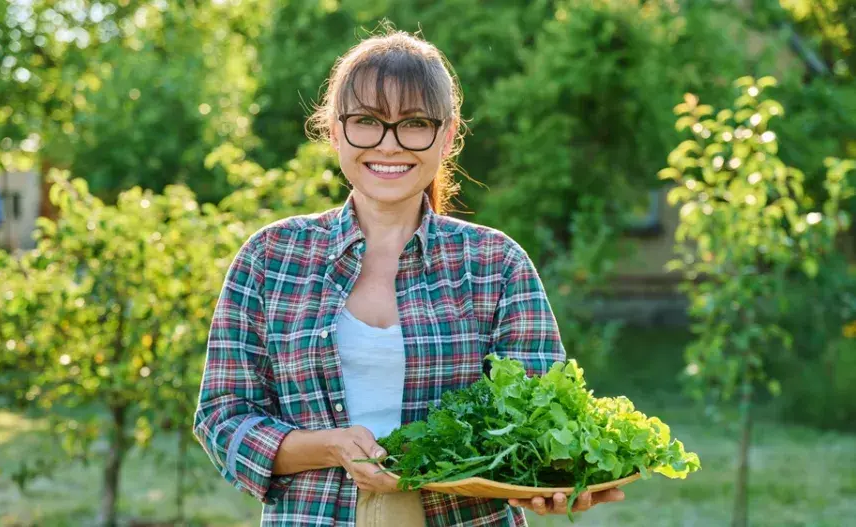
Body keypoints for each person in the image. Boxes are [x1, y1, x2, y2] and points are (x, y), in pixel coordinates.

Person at [193, 29, 626, 526]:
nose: (389, 144)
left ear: (447, 134)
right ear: (335, 132)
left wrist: (550, 478)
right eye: (366, 122)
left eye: (414, 123)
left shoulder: (496, 263)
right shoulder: (271, 258)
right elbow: (222, 417)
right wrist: (330, 448)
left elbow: (538, 418)